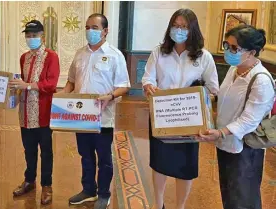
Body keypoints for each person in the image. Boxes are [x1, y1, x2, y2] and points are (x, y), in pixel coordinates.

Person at [141, 8, 219, 209]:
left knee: (186, 166)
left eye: (184, 26)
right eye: (176, 25)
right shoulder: (159, 52)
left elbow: (213, 89)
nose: (179, 30)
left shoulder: (204, 57)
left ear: (192, 29)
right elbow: (147, 78)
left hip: (190, 121)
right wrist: (149, 86)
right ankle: (157, 204)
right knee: (159, 163)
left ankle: (180, 206)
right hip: (162, 117)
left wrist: (197, 97)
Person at [198, 25, 273, 209]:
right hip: (225, 143)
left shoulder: (260, 80)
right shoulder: (234, 69)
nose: (228, 51)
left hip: (245, 147)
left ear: (252, 52)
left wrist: (221, 132)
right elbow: (224, 98)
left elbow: (249, 120)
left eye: (234, 48)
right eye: (226, 45)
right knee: (229, 194)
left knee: (243, 197)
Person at [62, 13, 130, 209]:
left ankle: (104, 194)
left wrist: (110, 95)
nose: (90, 31)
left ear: (105, 31)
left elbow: (124, 86)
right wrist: (62, 95)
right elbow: (71, 81)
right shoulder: (79, 54)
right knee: (85, 155)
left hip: (103, 117)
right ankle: (88, 190)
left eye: (94, 27)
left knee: (104, 158)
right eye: (87, 27)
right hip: (81, 116)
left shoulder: (115, 56)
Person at [8, 20, 60, 205]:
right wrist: (15, 88)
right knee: (29, 150)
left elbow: (51, 84)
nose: (31, 39)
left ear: (42, 36)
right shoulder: (24, 57)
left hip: (43, 113)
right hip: (25, 114)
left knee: (46, 152)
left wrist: (27, 85)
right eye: (28, 36)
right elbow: (22, 82)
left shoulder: (51, 56)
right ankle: (29, 180)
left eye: (34, 35)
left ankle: (47, 185)